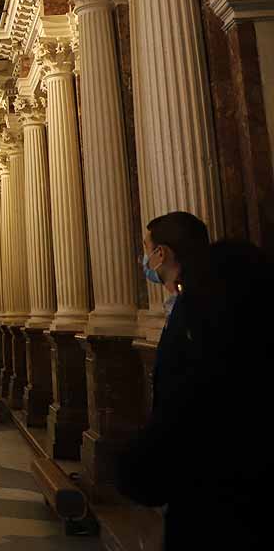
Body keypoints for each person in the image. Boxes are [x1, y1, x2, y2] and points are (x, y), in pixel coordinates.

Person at [117, 211, 227, 549]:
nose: (144, 259)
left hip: (203, 476)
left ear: (161, 254)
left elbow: (184, 398)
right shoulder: (190, 304)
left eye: (146, 249)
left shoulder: (197, 313)